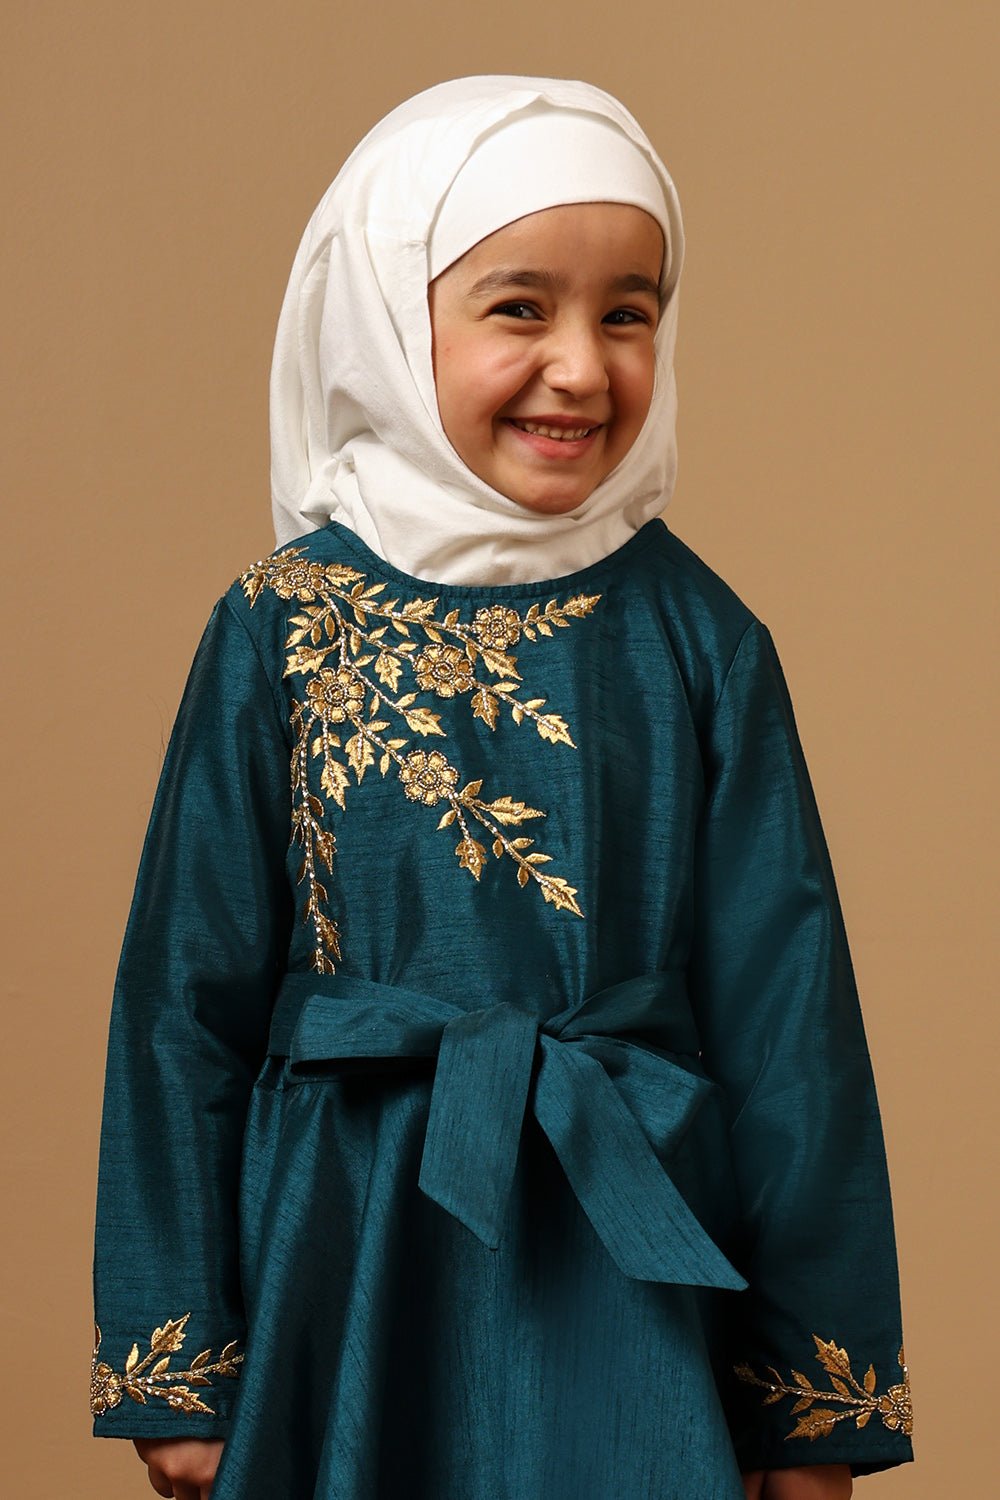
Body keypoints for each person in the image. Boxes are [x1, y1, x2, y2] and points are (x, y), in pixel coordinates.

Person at [90, 76, 914, 1499]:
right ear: (388, 318)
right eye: (520, 308)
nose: (582, 368)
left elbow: (795, 1037)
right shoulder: (279, 629)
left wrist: (810, 1408)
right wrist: (181, 1356)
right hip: (344, 1252)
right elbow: (181, 1009)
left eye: (629, 313)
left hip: (632, 1261)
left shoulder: (702, 642)